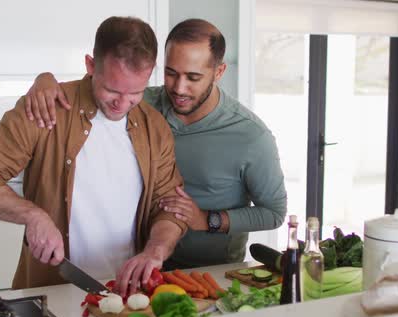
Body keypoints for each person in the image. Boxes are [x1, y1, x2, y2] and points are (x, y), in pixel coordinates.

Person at [23, 19, 287, 269]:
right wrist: (45, 80)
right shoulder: (140, 103)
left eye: (193, 78)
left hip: (209, 272)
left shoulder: (251, 136)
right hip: (139, 265)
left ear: (218, 72)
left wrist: (209, 220)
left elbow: (274, 213)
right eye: (171, 73)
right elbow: (102, 81)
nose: (179, 88)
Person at [0, 16, 187, 297]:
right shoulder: (47, 107)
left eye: (136, 93)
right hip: (51, 296)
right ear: (90, 65)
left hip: (129, 296)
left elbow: (168, 206)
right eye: (112, 90)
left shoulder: (154, 127)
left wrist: (155, 250)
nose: (123, 104)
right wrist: (33, 215)